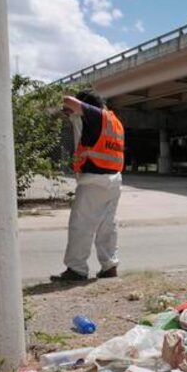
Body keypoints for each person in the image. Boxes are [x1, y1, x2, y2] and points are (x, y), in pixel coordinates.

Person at [50, 89, 125, 282]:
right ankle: (109, 266)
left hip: (93, 181)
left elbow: (68, 100)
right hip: (113, 180)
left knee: (81, 225)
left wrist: (69, 106)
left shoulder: (96, 115)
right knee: (106, 226)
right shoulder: (114, 122)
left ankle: (76, 269)